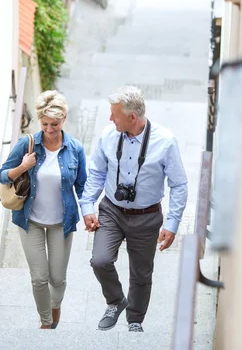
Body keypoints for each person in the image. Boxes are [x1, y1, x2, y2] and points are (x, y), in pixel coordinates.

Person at [80, 85, 188, 333]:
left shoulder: (165, 141)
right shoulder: (108, 135)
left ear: (132, 117)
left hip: (147, 216)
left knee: (141, 273)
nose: (109, 118)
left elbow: (179, 184)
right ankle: (116, 301)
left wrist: (171, 224)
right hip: (112, 211)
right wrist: (87, 206)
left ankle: (135, 321)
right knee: (100, 260)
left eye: (114, 114)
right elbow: (96, 172)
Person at [0, 90, 87, 329]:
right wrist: (22, 167)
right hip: (31, 221)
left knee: (57, 279)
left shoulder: (75, 149)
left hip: (62, 222)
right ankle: (46, 322)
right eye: (45, 124)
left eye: (55, 124)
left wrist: (90, 213)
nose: (49, 129)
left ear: (64, 119)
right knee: (39, 278)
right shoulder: (26, 145)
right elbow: (2, 174)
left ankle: (55, 305)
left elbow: (83, 186)